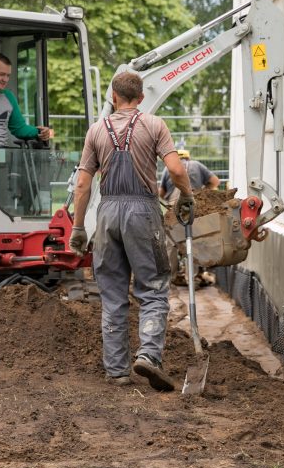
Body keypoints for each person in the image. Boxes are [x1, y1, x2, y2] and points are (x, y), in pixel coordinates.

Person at [69, 71, 193, 391]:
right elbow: (176, 169)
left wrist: (79, 227)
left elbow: (83, 183)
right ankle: (149, 355)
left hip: (107, 213)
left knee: (112, 294)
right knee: (152, 288)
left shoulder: (96, 131)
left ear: (113, 97)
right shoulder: (154, 125)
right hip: (142, 212)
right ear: (141, 98)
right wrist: (189, 197)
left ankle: (117, 371)